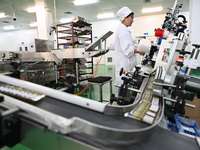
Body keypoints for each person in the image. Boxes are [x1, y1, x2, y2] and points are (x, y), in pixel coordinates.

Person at [115, 6, 144, 86]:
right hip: (124, 66)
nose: (133, 20)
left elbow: (131, 44)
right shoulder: (122, 30)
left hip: (127, 65)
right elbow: (127, 49)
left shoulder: (125, 30)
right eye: (131, 17)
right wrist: (138, 51)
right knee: (124, 88)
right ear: (125, 18)